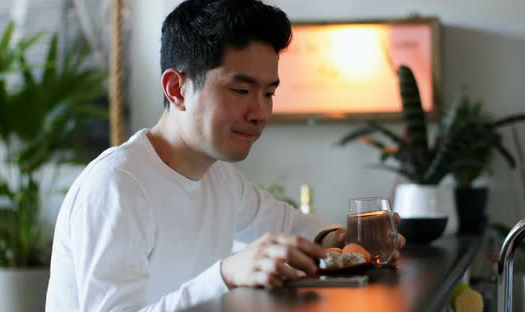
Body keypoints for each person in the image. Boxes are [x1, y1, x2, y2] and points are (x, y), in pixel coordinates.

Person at [45, 0, 405, 311]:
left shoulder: (219, 178)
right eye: (242, 89)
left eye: (268, 93)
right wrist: (225, 275)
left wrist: (342, 243)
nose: (260, 112)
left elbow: (288, 227)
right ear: (177, 89)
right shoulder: (117, 185)